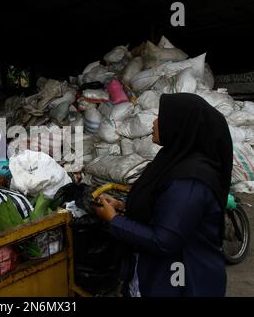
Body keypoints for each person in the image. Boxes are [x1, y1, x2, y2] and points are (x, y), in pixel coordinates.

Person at [92, 93, 233, 297]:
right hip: (159, 273)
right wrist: (123, 206)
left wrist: (114, 220)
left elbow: (165, 240)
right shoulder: (172, 158)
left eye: (161, 116)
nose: (154, 122)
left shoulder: (189, 181)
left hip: (183, 281)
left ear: (180, 124)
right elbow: (163, 205)